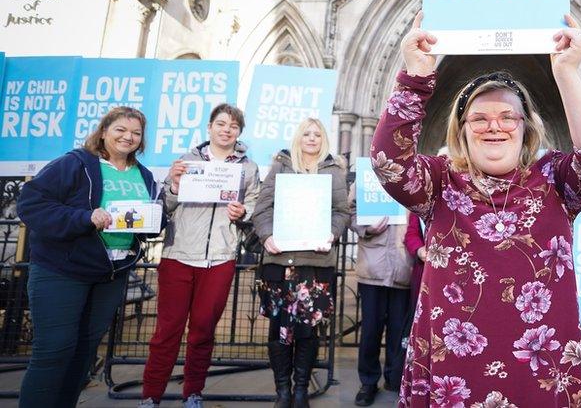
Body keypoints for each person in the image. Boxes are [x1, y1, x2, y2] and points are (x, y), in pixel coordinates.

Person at [373, 12, 581, 406]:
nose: (494, 126)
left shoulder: (554, 180)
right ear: (462, 129)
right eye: (479, 118)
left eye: (508, 117)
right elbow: (390, 163)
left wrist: (568, 73)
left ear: (525, 129)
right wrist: (415, 77)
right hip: (453, 370)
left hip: (541, 373)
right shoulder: (439, 182)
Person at [17, 106, 165, 407]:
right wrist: (84, 218)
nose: (129, 137)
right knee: (54, 352)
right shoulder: (75, 163)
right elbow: (31, 204)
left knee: (83, 355)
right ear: (104, 131)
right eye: (121, 130)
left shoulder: (144, 175)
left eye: (136, 133)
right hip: (63, 271)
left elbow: (149, 224)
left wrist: (155, 220)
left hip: (111, 274)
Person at [140, 104, 260, 408]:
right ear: (209, 127)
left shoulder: (248, 168)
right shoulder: (186, 161)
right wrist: (175, 185)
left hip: (219, 257)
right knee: (167, 330)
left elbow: (256, 208)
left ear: (239, 132)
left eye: (233, 126)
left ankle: (193, 392)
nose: (226, 130)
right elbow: (163, 207)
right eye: (221, 124)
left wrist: (243, 212)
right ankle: (151, 396)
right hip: (179, 254)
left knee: (203, 330)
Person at [251, 117, 352, 408]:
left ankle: (300, 390)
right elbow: (262, 209)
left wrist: (331, 234)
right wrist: (267, 235)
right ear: (298, 137)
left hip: (315, 262)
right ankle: (282, 390)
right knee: (279, 330)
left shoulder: (334, 170)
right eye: (306, 134)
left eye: (317, 135)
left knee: (308, 331)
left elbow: (341, 212)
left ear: (324, 140)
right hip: (280, 260)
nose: (311, 139)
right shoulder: (282, 164)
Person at [350, 203, 413, 405]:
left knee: (398, 330)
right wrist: (366, 228)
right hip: (372, 264)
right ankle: (368, 382)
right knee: (370, 330)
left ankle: (395, 378)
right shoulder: (366, 173)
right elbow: (350, 210)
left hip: (404, 263)